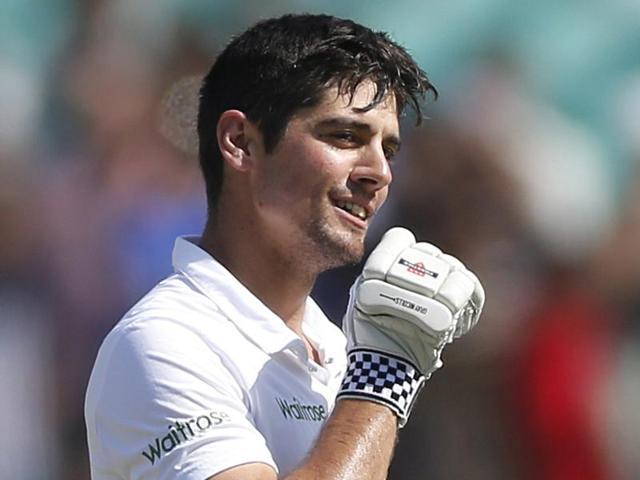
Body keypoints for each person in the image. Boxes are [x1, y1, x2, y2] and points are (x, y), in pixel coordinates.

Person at [85, 13, 484, 480]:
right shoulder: (162, 344)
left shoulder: (339, 348)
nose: (380, 173)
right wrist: (383, 377)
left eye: (389, 150)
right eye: (345, 136)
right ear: (241, 143)